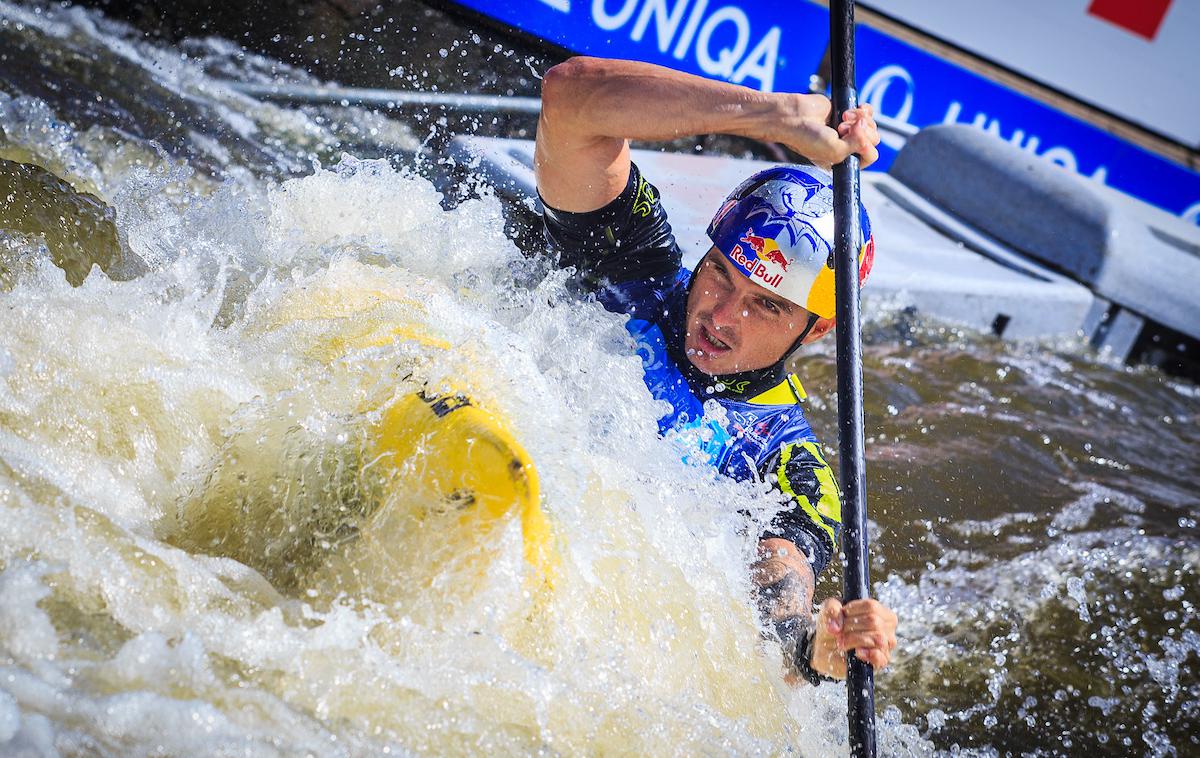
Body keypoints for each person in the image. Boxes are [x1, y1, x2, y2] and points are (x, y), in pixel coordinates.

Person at [534, 56, 897, 684]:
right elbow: (570, 101)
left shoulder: (787, 459)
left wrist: (816, 646)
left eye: (766, 305)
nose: (720, 316)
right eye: (720, 274)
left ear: (817, 329)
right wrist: (774, 115)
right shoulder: (633, 269)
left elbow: (774, 600)